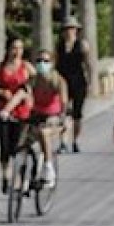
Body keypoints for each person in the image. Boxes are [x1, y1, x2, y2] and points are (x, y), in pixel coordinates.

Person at [0, 36, 33, 193]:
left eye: (20, 48)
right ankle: (6, 176)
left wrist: (31, 94)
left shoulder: (26, 67)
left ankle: (20, 178)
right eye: (14, 48)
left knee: (19, 145)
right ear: (8, 50)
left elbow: (38, 81)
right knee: (5, 145)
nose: (17, 52)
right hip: (2, 111)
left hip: (22, 111)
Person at [29, 49, 69, 182]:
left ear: (52, 63)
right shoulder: (33, 80)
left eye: (46, 61)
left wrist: (63, 119)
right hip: (36, 113)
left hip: (53, 115)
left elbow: (64, 101)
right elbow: (25, 94)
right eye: (39, 61)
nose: (42, 63)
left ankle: (48, 166)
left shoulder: (58, 80)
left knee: (44, 133)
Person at [54, 17, 92, 153]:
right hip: (63, 82)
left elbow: (88, 64)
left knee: (77, 114)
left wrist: (91, 82)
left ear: (76, 30)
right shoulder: (59, 46)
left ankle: (75, 140)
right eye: (66, 29)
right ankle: (63, 142)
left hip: (78, 82)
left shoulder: (82, 45)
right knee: (64, 112)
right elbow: (55, 63)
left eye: (72, 28)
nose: (69, 31)